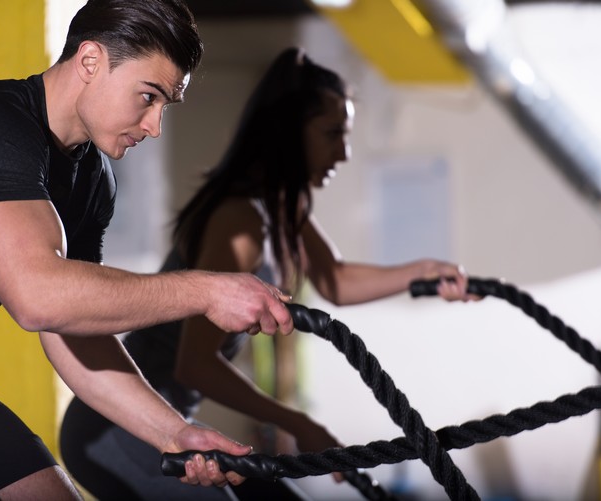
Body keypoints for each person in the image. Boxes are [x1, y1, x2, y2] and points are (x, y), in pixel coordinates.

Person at [0, 1, 296, 499]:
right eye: (148, 96)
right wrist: (205, 290)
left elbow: (71, 326)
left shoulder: (93, 179)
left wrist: (173, 432)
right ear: (90, 61)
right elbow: (37, 297)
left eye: (165, 106)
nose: (154, 125)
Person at [59, 47, 477, 501]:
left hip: (170, 418)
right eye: (333, 133)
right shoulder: (241, 224)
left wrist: (424, 272)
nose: (345, 151)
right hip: (115, 427)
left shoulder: (283, 206)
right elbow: (194, 363)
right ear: (290, 135)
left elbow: (335, 280)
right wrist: (296, 421)